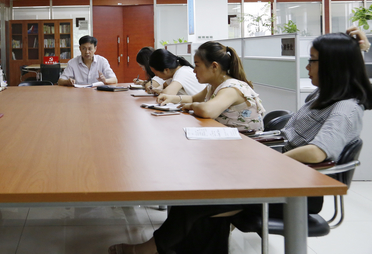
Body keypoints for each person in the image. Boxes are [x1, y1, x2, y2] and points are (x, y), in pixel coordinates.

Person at [109, 33, 372, 254]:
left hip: (295, 187)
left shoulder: (346, 109)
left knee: (198, 199)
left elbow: (317, 152)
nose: (307, 67)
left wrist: (265, 162)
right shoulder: (324, 95)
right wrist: (358, 50)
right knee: (195, 190)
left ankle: (150, 249)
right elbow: (348, 73)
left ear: (332, 66)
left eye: (312, 61)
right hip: (279, 174)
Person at [157, 41, 265, 131]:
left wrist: (191, 106)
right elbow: (193, 98)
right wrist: (171, 98)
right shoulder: (213, 86)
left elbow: (207, 110)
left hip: (247, 142)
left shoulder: (231, 88)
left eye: (197, 65)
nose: (194, 70)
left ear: (214, 66)